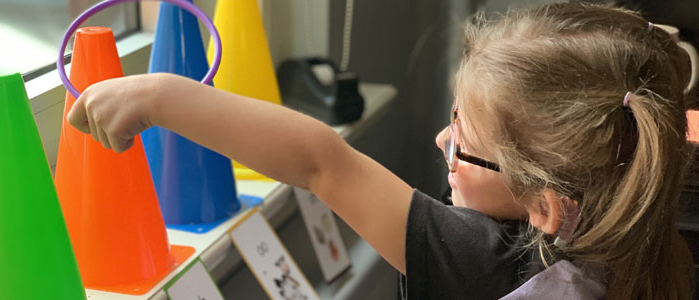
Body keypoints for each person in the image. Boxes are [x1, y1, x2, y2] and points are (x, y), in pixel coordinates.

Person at [65, 2, 694, 299]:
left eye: (464, 148)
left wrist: (161, 97)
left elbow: (319, 161)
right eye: (452, 120)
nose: (441, 141)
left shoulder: (484, 263)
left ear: (548, 210)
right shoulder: (651, 236)